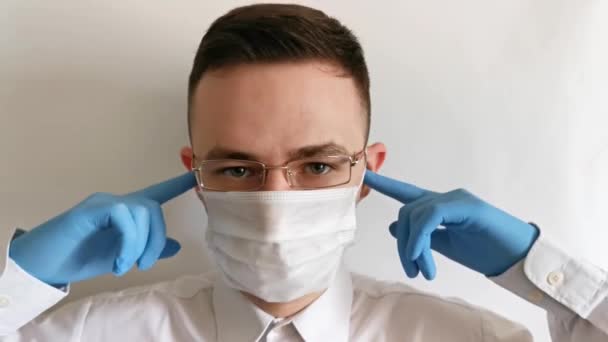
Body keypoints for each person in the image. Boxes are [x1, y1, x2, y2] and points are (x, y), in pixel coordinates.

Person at [0, 3, 606, 341]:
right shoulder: (86, 337)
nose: (274, 200)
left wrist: (537, 268)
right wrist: (20, 279)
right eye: (237, 168)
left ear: (368, 174)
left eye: (317, 164)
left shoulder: (470, 341)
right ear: (195, 174)